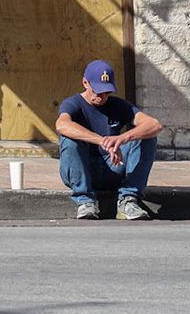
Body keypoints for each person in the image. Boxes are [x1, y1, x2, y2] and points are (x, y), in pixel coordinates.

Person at [56, 60, 162, 220]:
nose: (102, 96)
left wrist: (122, 139)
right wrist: (101, 141)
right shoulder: (73, 103)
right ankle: (85, 201)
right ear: (85, 82)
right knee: (69, 139)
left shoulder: (118, 105)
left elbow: (154, 125)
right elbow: (62, 124)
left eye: (106, 92)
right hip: (83, 169)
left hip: (113, 167)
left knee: (147, 137)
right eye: (97, 91)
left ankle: (128, 200)